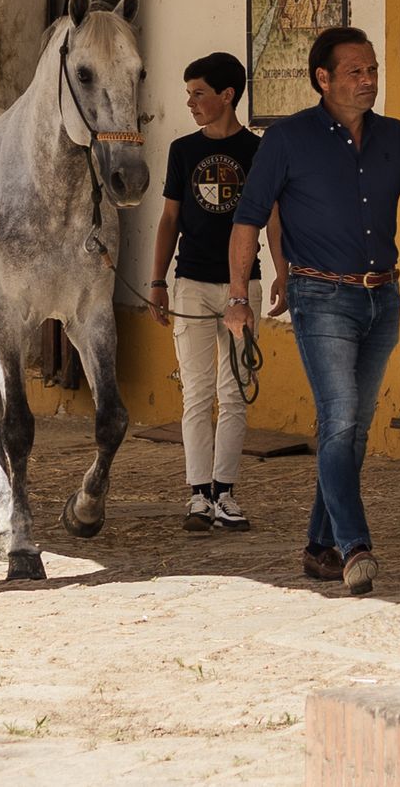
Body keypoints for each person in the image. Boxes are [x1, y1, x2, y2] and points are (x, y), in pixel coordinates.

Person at [226, 27, 400, 596]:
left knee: (351, 432)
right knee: (340, 420)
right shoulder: (287, 140)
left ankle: (317, 546)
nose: (369, 81)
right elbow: (248, 220)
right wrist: (238, 299)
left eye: (373, 70)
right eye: (356, 71)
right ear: (322, 78)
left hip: (382, 299)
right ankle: (355, 546)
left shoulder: (395, 138)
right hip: (321, 297)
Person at [149, 53, 285, 533]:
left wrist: (280, 273)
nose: (190, 103)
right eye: (188, 94)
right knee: (196, 392)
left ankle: (225, 491)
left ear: (227, 95)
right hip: (189, 284)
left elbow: (272, 219)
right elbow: (169, 219)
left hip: (240, 287)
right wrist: (158, 281)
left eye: (198, 93)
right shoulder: (182, 150)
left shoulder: (259, 150)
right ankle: (197, 495)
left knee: (234, 393)